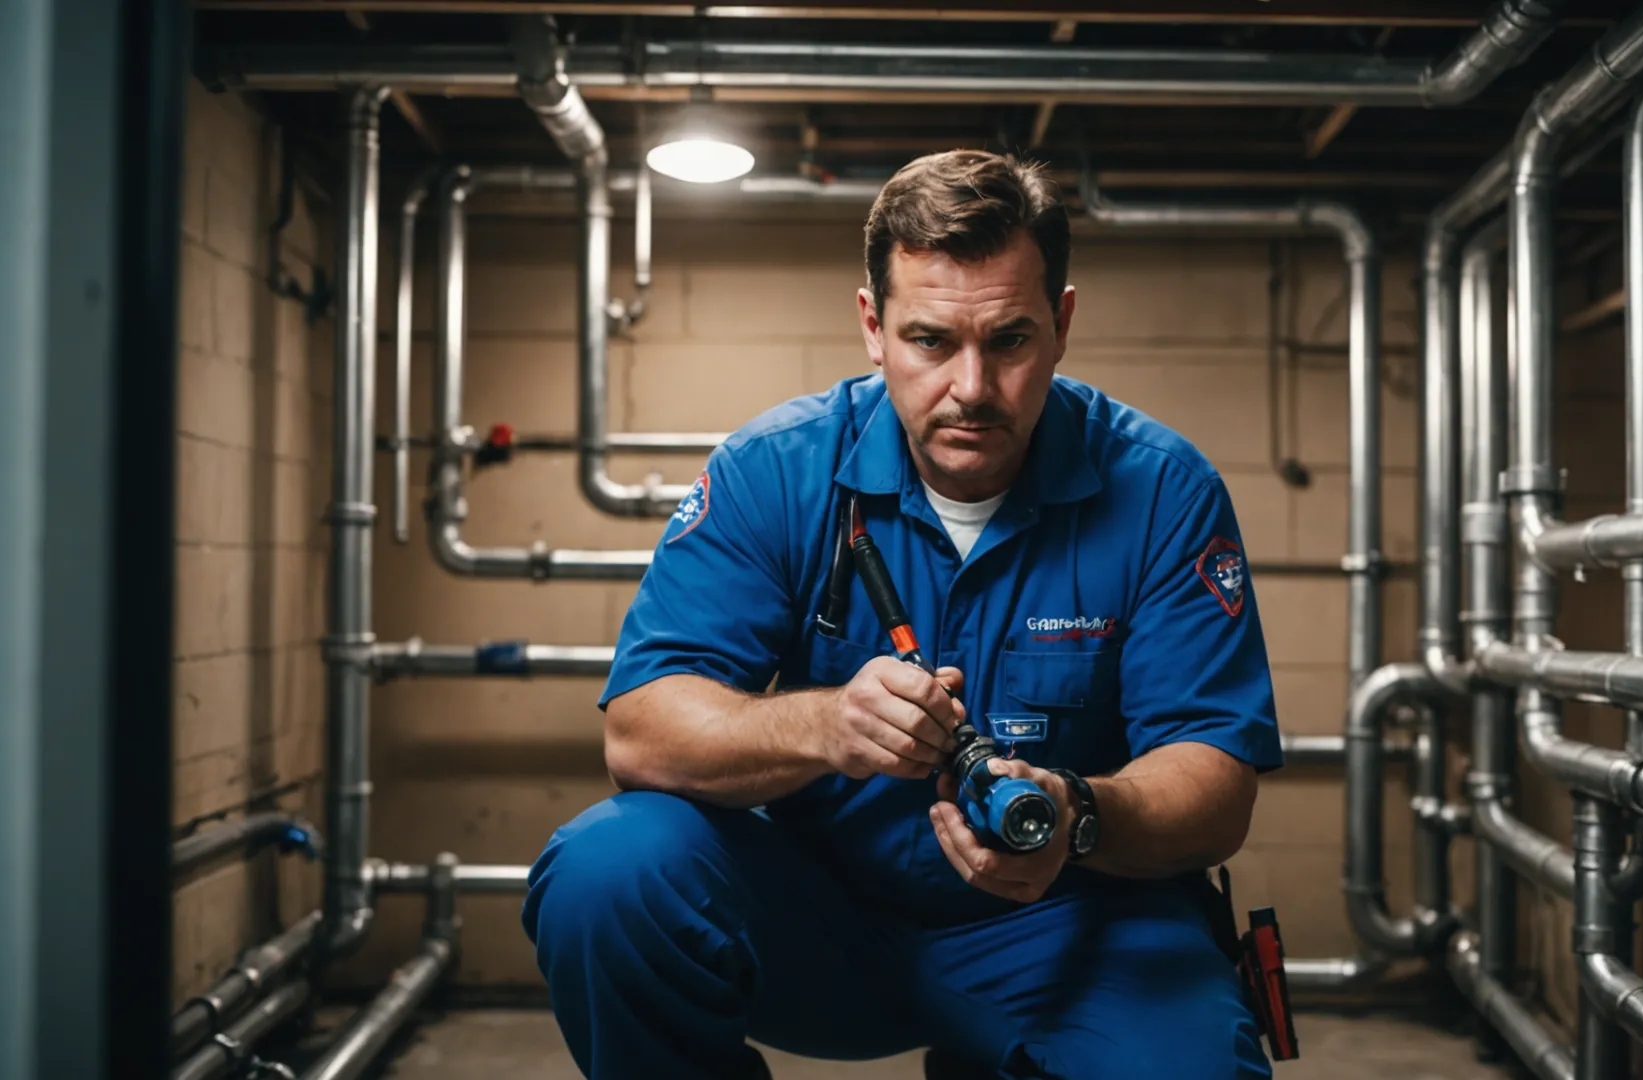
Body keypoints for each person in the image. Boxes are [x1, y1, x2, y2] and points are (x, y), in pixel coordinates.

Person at [522, 149, 1284, 1079]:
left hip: (1067, 923)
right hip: (821, 922)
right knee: (610, 870)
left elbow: (1215, 783)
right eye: (931, 341)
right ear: (874, 327)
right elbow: (641, 735)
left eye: (1009, 340)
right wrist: (823, 722)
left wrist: (1080, 811)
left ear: (1063, 322)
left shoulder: (1163, 491)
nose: (970, 387)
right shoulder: (776, 471)